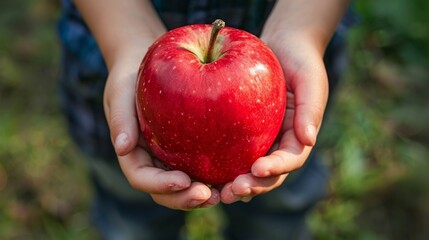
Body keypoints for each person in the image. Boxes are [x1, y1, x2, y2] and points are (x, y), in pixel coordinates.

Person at [57, 0, 353, 239]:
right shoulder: (143, 71)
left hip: (281, 91)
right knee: (131, 215)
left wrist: (302, 29)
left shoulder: (273, 72)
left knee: (278, 212)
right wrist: (125, 41)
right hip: (124, 67)